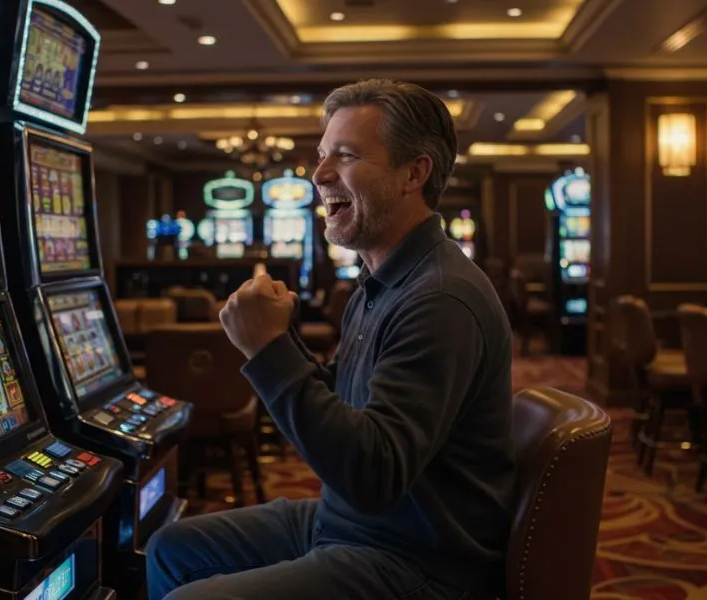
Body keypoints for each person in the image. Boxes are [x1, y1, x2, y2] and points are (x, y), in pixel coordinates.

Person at [146, 78, 515, 600]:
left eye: (344, 155)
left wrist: (268, 350)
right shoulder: (382, 280)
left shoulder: (439, 298)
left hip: (417, 561)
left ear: (414, 172)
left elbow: (372, 473)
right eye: (322, 155)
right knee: (172, 548)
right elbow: (344, 405)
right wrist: (281, 342)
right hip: (355, 525)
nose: (318, 175)